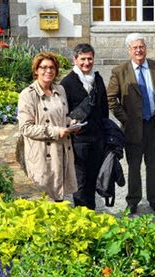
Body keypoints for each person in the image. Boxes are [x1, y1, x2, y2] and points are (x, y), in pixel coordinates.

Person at [107, 33, 155, 214]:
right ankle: (133, 200)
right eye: (135, 48)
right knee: (134, 166)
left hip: (153, 124)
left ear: (146, 48)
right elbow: (111, 98)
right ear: (129, 50)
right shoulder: (120, 71)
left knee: (153, 165)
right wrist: (125, 118)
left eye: (141, 47)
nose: (139, 50)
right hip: (132, 128)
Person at [18, 52, 78, 201]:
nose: (48, 71)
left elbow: (61, 116)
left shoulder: (60, 90)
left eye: (52, 67)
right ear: (36, 70)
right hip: (42, 154)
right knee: (43, 198)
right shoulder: (28, 95)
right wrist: (56, 131)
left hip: (61, 151)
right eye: (43, 67)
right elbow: (25, 128)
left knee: (59, 197)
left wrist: (70, 123)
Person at [61, 43, 109, 210]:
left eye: (90, 59)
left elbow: (104, 110)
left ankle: (91, 214)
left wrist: (106, 136)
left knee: (92, 179)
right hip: (78, 141)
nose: (86, 63)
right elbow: (62, 112)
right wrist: (69, 122)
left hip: (97, 139)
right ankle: (82, 218)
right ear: (75, 59)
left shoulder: (98, 79)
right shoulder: (66, 83)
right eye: (83, 59)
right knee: (80, 182)